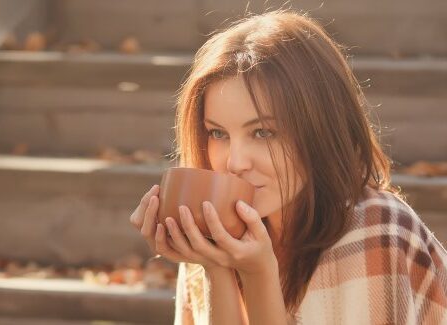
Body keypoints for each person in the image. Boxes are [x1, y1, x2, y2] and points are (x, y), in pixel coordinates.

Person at [129, 9, 447, 325]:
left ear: (319, 130)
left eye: (263, 132)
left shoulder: (378, 232)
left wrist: (257, 274)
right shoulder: (212, 235)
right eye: (218, 133)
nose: (235, 162)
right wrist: (217, 270)